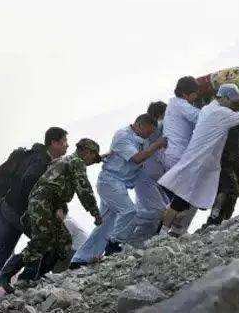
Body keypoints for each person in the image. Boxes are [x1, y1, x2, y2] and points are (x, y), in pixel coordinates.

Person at [158, 84, 239, 233]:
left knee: (185, 201)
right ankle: (210, 222)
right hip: (208, 163)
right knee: (222, 190)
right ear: (225, 98)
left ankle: (172, 230)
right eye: (232, 101)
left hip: (214, 163)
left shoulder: (208, 110)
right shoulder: (224, 114)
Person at [0, 139, 103, 293]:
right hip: (43, 202)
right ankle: (9, 275)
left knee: (63, 241)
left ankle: (37, 277)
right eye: (93, 155)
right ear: (87, 152)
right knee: (41, 240)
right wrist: (95, 213)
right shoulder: (77, 162)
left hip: (47, 203)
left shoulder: (65, 161)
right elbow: (84, 190)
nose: (93, 160)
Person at [0, 127, 68, 300]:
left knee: (2, 250)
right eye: (65, 142)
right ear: (54, 143)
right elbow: (29, 181)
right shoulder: (42, 160)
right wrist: (39, 209)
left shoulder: (33, 155)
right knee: (49, 240)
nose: (67, 146)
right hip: (18, 211)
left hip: (5, 206)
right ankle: (27, 280)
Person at [70, 114, 166, 267]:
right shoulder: (123, 136)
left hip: (118, 183)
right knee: (129, 211)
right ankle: (114, 245)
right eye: (148, 132)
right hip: (110, 182)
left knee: (105, 224)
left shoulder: (139, 136)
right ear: (140, 125)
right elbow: (136, 158)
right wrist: (157, 145)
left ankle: (80, 260)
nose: (149, 136)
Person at [158, 77, 201, 237]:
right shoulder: (181, 105)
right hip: (178, 156)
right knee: (182, 198)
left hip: (175, 155)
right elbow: (200, 117)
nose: (196, 97)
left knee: (188, 196)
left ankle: (175, 228)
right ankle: (164, 232)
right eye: (194, 94)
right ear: (185, 93)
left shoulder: (173, 104)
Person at [130, 102, 171, 245]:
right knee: (159, 213)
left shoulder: (152, 131)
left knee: (163, 212)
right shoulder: (156, 129)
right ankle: (124, 224)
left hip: (153, 181)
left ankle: (143, 243)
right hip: (145, 180)